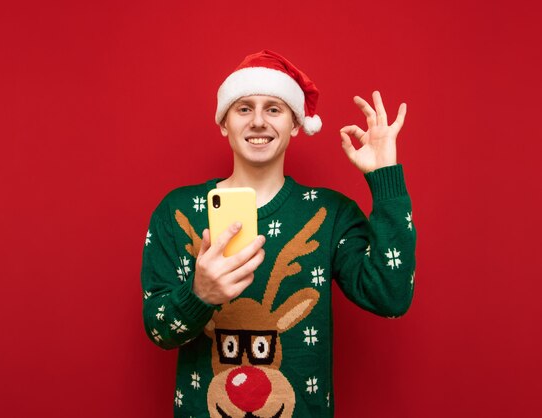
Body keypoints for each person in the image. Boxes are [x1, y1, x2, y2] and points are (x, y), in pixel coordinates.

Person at [141, 50, 416, 418]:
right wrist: (198, 294)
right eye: (243, 109)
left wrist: (386, 177)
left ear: (296, 124)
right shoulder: (178, 211)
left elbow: (391, 297)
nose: (258, 121)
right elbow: (159, 331)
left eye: (273, 109)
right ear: (224, 123)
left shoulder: (328, 213)